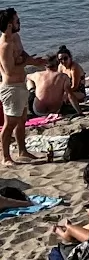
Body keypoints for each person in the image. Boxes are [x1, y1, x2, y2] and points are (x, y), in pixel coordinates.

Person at [0, 9, 46, 163]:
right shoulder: (5, 45)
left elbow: (22, 53)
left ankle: (22, 151)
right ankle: (6, 157)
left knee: (22, 120)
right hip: (11, 88)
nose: (19, 22)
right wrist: (27, 63)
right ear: (9, 25)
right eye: (16, 20)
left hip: (22, 84)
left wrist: (34, 62)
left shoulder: (16, 37)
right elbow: (10, 70)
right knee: (10, 123)